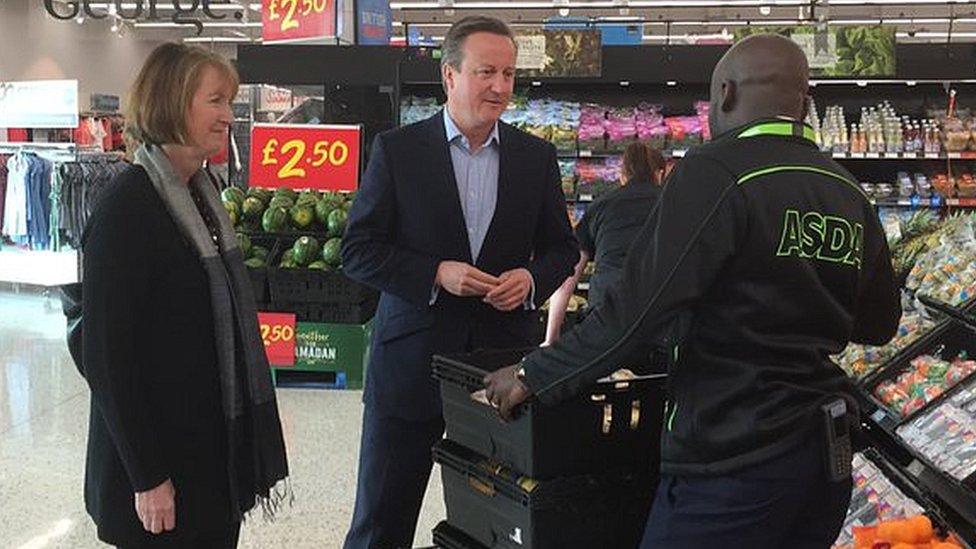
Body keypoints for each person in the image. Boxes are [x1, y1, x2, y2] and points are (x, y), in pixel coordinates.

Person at [485, 34, 901, 547]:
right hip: (823, 458)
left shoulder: (715, 172)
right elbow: (879, 324)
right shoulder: (846, 189)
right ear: (805, 103)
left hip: (732, 458)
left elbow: (635, 314)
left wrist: (532, 374)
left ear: (724, 94)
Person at [340, 15, 578, 549]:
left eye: (510, 74)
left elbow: (564, 248)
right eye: (486, 71)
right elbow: (358, 250)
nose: (500, 86)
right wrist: (433, 273)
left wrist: (532, 278)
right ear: (449, 76)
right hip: (409, 366)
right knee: (381, 519)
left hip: (501, 371)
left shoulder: (535, 158)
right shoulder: (398, 151)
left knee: (499, 519)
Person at [81, 43, 289, 549]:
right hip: (157, 467)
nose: (228, 115)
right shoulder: (128, 208)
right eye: (216, 100)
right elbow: (107, 356)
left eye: (230, 101)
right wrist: (147, 476)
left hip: (211, 454)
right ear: (172, 102)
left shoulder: (202, 193)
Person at [544, 142, 666, 345]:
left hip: (605, 310)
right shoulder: (673, 204)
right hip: (659, 311)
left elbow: (568, 277)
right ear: (659, 174)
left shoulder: (601, 206)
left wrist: (551, 337)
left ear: (622, 176)